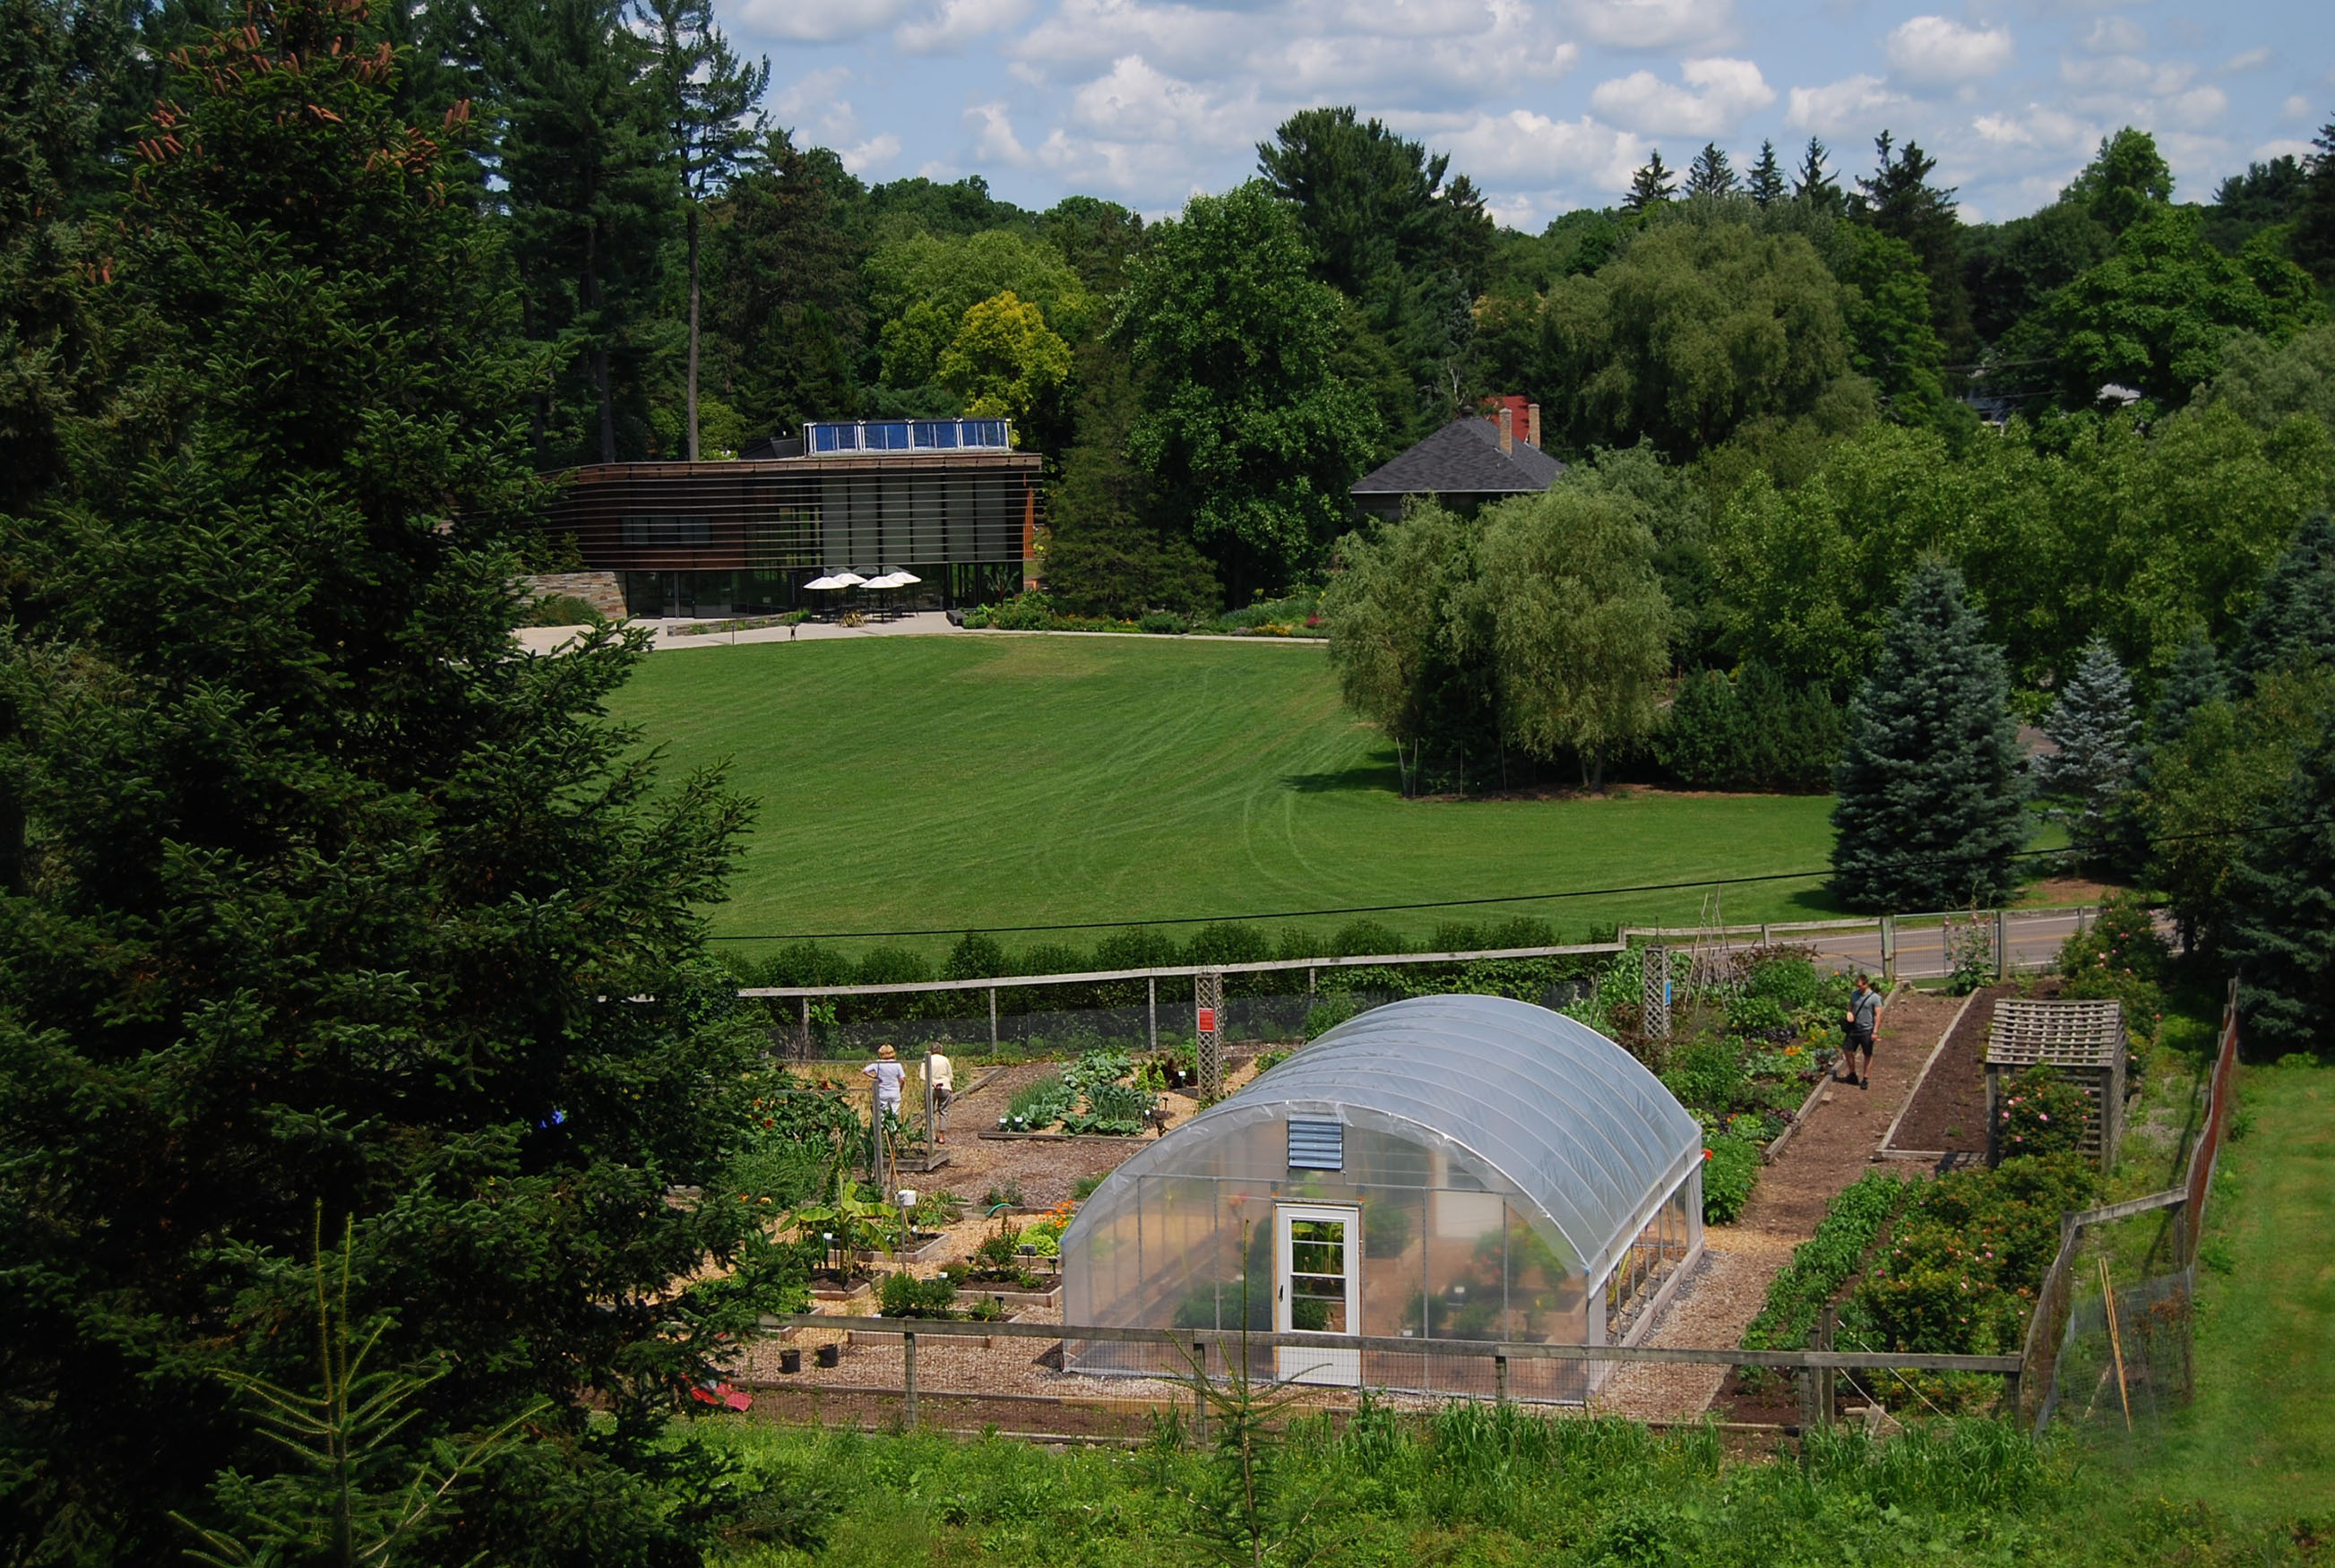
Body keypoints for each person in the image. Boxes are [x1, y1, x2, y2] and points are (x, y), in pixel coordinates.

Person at [1838, 973, 1883, 1089]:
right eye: (1857, 986)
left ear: (1866, 984)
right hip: (1854, 1029)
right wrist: (1849, 1013)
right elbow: (1850, 1007)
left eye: (1860, 986)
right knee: (1847, 1050)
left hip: (1867, 1030)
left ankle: (1865, 1078)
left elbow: (1878, 1015)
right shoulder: (1854, 995)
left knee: (1867, 1054)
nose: (1858, 988)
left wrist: (1875, 1032)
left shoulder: (1875, 998)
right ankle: (1852, 1074)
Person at [864, 1044, 907, 1124]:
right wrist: (900, 1089)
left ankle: (883, 1132)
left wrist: (874, 1077)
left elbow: (865, 1071)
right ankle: (893, 1132)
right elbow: (902, 1079)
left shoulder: (878, 1063)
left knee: (882, 1115)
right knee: (894, 1114)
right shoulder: (897, 1064)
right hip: (895, 1091)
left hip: (882, 1092)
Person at [926, 1050, 953, 1144]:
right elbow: (950, 1076)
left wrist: (933, 1082)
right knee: (943, 1111)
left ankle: (931, 1134)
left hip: (931, 1087)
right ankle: (942, 1136)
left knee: (930, 1112)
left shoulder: (926, 1059)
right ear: (940, 1050)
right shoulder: (945, 1059)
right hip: (945, 1086)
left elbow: (922, 1075)